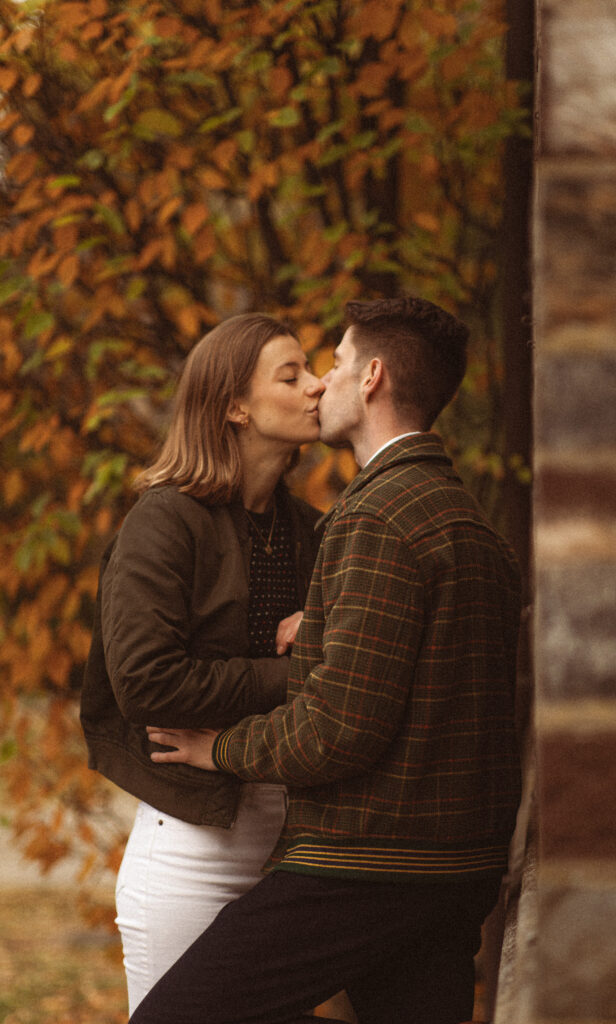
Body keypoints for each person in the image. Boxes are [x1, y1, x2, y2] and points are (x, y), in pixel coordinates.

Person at [131, 296, 523, 1024]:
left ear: (371, 377)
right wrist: (326, 628)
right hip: (460, 867)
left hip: (369, 862)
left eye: (335, 364)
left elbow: (337, 727)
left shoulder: (374, 516)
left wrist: (222, 749)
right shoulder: (471, 525)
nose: (322, 383)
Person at [80, 313, 326, 1014]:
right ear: (233, 406)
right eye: (292, 374)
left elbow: (355, 670)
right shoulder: (166, 520)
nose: (316, 388)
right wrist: (299, 669)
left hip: (298, 844)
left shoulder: (312, 531)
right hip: (194, 850)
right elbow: (147, 681)